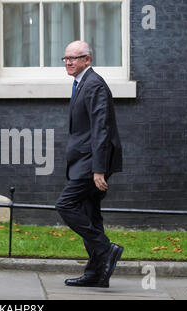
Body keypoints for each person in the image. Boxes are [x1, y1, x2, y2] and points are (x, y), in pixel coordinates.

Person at [55, 41, 123, 288]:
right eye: (66, 58)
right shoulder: (81, 83)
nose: (69, 62)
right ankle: (97, 273)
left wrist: (98, 169)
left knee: (65, 204)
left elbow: (101, 128)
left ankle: (106, 249)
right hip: (84, 161)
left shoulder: (94, 84)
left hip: (90, 164)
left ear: (87, 60)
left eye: (75, 58)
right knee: (89, 215)